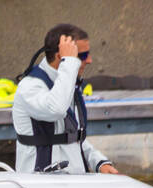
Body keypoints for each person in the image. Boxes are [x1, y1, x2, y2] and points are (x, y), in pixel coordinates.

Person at [13, 24, 118, 175]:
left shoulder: (67, 83)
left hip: (71, 183)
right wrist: (69, 62)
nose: (89, 60)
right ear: (60, 57)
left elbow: (71, 137)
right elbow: (56, 110)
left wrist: (99, 162)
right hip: (40, 185)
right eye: (82, 56)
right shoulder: (30, 87)